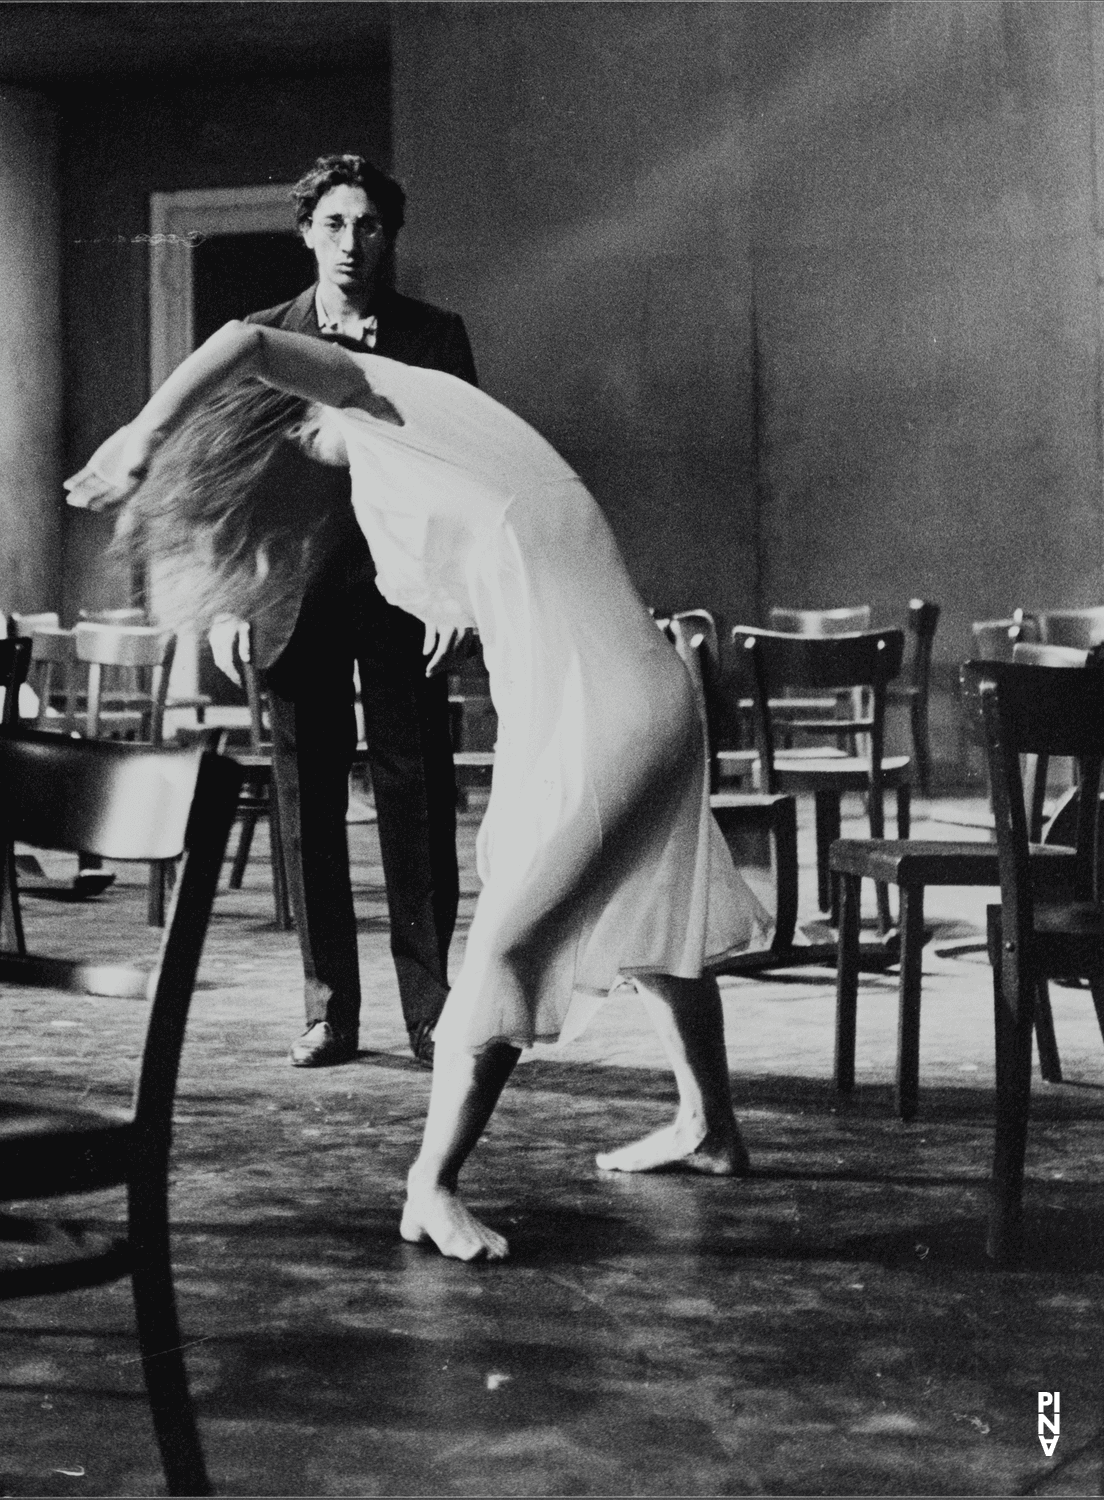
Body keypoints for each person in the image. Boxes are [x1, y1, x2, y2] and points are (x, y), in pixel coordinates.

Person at [66, 320, 771, 1262]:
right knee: (656, 918)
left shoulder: (382, 397)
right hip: (627, 690)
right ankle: (708, 1125)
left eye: (295, 434)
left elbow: (246, 339)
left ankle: (429, 1187)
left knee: (506, 950)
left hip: (607, 712)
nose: (305, 451)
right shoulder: (443, 445)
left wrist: (145, 435)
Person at [220, 154, 477, 1069]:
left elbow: (462, 473)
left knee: (419, 801)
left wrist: (453, 586)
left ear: (389, 237)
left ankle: (431, 1011)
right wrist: (232, 599)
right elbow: (239, 482)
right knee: (309, 809)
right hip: (295, 598)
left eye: (368, 225)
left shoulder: (434, 336)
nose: (351, 241)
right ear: (306, 233)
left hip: (405, 595)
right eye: (334, 223)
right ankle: (328, 1008)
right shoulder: (262, 336)